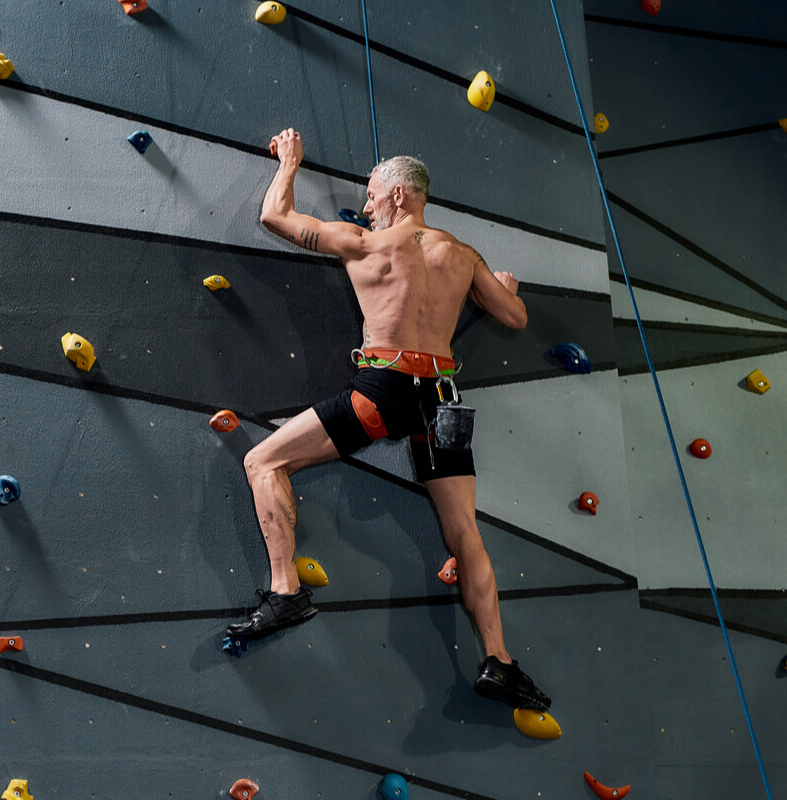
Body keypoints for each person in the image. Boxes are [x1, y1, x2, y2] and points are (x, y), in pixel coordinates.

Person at [225, 128, 549, 711]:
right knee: (464, 532)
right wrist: (502, 289)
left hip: (385, 387)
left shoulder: (365, 245)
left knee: (262, 459)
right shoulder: (463, 255)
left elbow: (276, 216)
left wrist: (291, 162)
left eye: (373, 195)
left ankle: (286, 591)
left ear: (400, 194)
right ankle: (498, 660)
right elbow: (516, 316)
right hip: (443, 399)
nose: (367, 206)